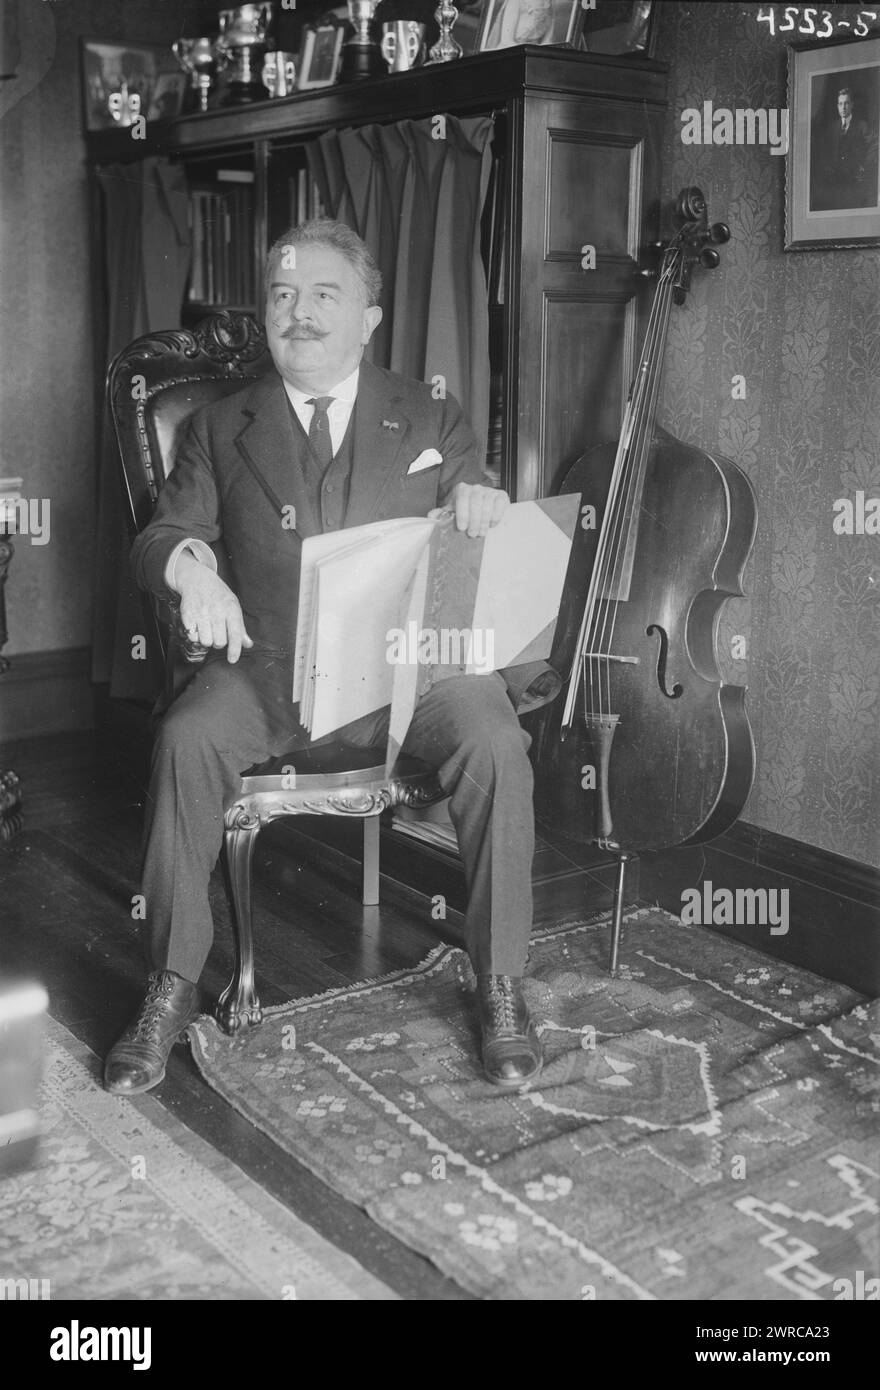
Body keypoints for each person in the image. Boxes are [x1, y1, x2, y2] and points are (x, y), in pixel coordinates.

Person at [104, 219, 548, 1098]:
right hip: (265, 669)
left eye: (322, 295)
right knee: (186, 739)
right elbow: (163, 533)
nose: (296, 314)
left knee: (494, 738)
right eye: (281, 294)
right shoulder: (218, 424)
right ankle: (170, 982)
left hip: (406, 672)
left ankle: (498, 980)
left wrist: (484, 501)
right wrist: (192, 570)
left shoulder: (428, 413)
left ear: (370, 317)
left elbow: (476, 494)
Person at [812, 86, 879, 211]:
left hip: (855, 183)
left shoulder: (861, 126)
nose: (843, 107)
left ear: (852, 105)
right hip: (835, 184)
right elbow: (823, 154)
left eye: (846, 103)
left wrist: (865, 165)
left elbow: (876, 144)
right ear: (837, 106)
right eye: (841, 103)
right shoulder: (832, 129)